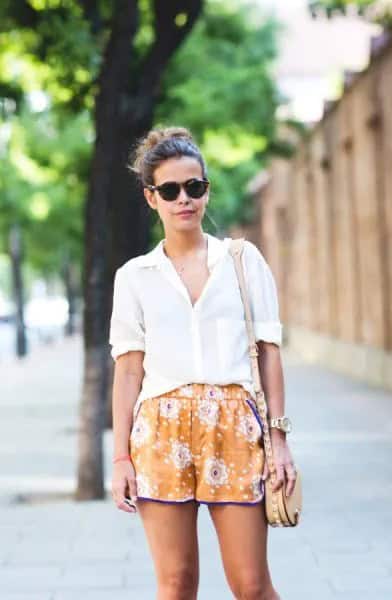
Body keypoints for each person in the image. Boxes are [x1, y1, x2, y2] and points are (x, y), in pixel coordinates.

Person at [109, 126, 297, 600]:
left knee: (252, 585)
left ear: (206, 189)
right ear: (151, 198)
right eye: (169, 190)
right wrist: (119, 458)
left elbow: (269, 350)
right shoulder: (134, 277)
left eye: (194, 187)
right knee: (175, 586)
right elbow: (128, 370)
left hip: (235, 427)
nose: (183, 199)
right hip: (159, 432)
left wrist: (279, 439)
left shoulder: (242, 260)